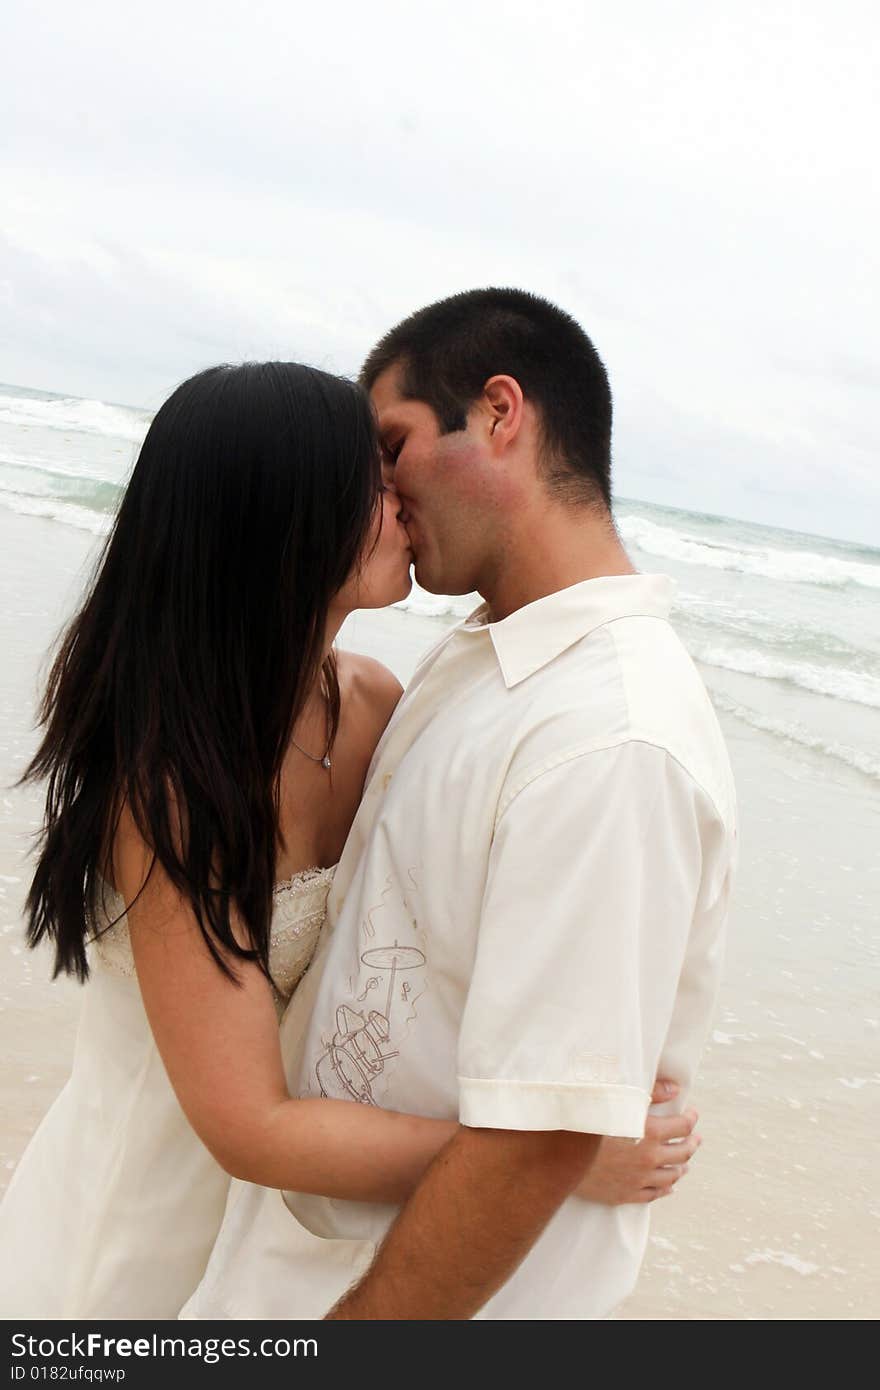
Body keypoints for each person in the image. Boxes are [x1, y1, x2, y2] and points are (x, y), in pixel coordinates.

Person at [0, 359, 694, 1321]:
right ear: (280, 521)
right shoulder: (172, 792)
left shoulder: (369, 703)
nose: (402, 500)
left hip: (278, 1241)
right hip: (137, 1228)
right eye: (369, 481)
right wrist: (552, 1155)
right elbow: (251, 1125)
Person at [182, 289, 737, 1322]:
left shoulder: (606, 739)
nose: (378, 488)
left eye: (390, 443)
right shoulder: (486, 659)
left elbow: (538, 1141)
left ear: (496, 413)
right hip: (282, 1270)